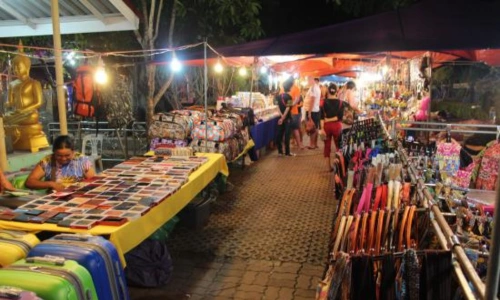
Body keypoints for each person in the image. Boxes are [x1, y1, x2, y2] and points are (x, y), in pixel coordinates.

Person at [26, 135, 96, 192]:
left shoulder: (82, 160)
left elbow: (94, 182)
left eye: (67, 155)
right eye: (59, 155)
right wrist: (51, 184)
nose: (63, 159)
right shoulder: (47, 161)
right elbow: (30, 182)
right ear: (54, 153)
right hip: (55, 199)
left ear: (73, 152)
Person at [319, 83, 343, 171]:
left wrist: (322, 128)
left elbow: (321, 117)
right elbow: (339, 117)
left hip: (326, 127)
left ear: (328, 91)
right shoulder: (340, 103)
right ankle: (338, 166)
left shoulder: (323, 102)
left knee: (327, 146)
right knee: (338, 146)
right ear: (336, 91)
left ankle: (328, 167)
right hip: (337, 126)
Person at [276, 78, 297, 157]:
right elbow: (288, 108)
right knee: (287, 135)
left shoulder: (278, 96)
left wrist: (281, 117)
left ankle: (280, 152)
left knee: (280, 135)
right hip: (287, 119)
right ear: (289, 87)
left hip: (280, 118)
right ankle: (287, 152)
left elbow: (277, 107)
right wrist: (283, 117)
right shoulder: (289, 97)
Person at [304, 77, 321, 149]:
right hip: (316, 110)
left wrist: (309, 113)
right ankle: (315, 144)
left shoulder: (313, 88)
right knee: (315, 127)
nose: (307, 81)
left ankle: (312, 145)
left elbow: (312, 100)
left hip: (312, 110)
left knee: (311, 128)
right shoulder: (317, 87)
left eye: (308, 79)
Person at [289, 80, 304, 150]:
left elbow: (297, 101)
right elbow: (296, 100)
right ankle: (298, 143)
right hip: (294, 112)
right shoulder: (296, 88)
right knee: (295, 129)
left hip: (294, 112)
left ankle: (299, 142)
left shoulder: (294, 88)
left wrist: (289, 105)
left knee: (295, 129)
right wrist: (291, 105)